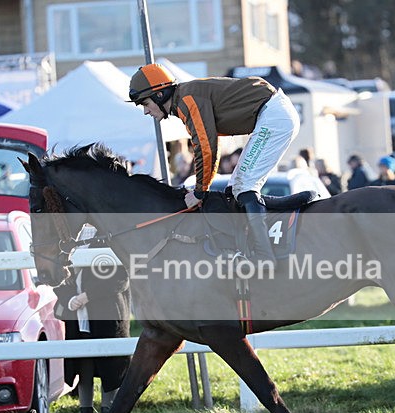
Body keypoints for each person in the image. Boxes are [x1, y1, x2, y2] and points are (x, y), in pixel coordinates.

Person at [128, 63, 299, 269]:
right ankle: (251, 246)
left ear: (159, 95)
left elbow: (206, 147)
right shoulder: (185, 98)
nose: (146, 111)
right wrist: (202, 187)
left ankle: (264, 257)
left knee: (244, 186)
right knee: (235, 188)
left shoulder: (187, 100)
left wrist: (199, 192)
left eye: (145, 104)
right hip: (274, 113)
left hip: (274, 116)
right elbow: (208, 146)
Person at [54, 225, 132, 413]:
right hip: (77, 314)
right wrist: (69, 299)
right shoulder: (68, 237)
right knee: (83, 365)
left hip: (108, 313)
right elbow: (57, 274)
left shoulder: (111, 233)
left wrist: (87, 296)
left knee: (110, 364)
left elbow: (122, 278)